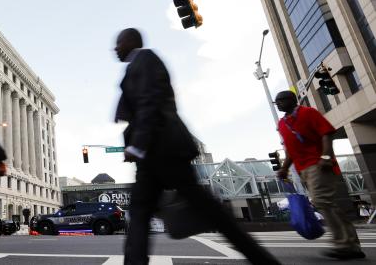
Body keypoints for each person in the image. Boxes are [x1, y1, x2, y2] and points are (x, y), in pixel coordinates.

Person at [113, 28, 280, 265]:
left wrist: (137, 145)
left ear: (130, 41)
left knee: (209, 211)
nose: (115, 48)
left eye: (118, 43)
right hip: (152, 157)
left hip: (165, 150)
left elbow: (149, 103)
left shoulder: (146, 59)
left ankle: (262, 259)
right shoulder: (135, 66)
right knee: (140, 213)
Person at [274, 90, 365, 259]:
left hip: (318, 164)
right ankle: (351, 244)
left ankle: (345, 245)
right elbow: (291, 149)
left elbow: (326, 133)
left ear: (292, 100)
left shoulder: (308, 113)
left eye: (281, 100)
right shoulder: (282, 123)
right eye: (276, 102)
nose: (278, 103)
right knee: (326, 203)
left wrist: (326, 156)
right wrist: (285, 168)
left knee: (322, 201)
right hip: (302, 170)